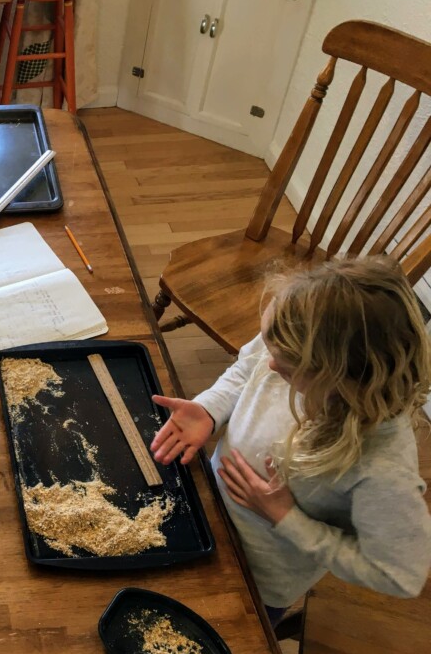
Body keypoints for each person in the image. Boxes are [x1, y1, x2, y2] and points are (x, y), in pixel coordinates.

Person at [150, 256, 431, 626]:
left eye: (285, 364)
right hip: (205, 509)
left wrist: (285, 516)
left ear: (335, 375)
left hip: (256, 577)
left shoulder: (382, 469)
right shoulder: (293, 332)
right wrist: (209, 408)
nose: (270, 365)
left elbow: (399, 575)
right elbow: (247, 368)